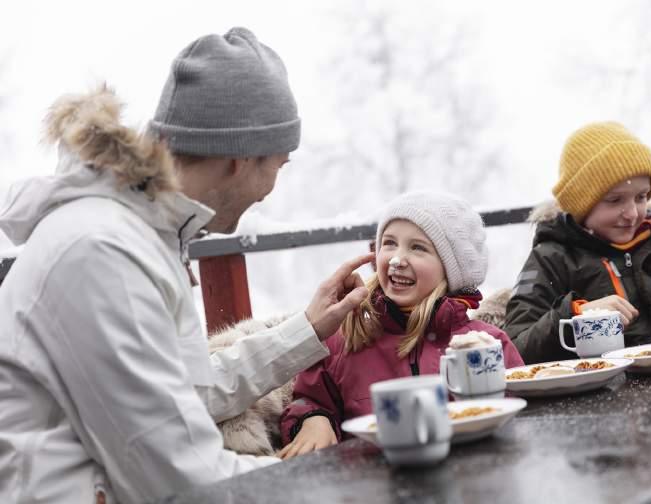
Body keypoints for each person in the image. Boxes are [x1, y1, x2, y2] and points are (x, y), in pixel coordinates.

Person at [0, 27, 372, 504]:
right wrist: (343, 484)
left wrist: (308, 330)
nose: (270, 190)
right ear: (240, 158)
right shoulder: (104, 253)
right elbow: (176, 474)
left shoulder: (137, 234)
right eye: (278, 166)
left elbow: (186, 395)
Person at [278, 191, 524, 459]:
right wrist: (314, 418)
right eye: (389, 243)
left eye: (418, 247)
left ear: (452, 269)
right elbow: (308, 399)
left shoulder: (488, 345)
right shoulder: (345, 339)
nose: (397, 259)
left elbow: (521, 416)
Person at [504, 121, 651, 364]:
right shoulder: (551, 258)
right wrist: (575, 315)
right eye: (614, 200)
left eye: (642, 197)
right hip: (598, 398)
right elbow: (516, 351)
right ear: (581, 204)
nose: (632, 213)